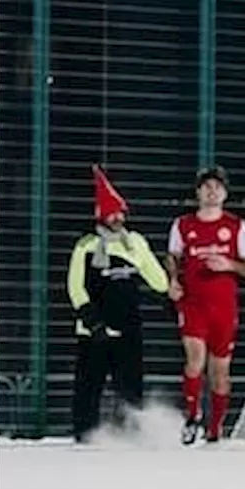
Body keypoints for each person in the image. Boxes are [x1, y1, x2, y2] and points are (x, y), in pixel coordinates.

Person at [67, 165, 169, 442]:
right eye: (112, 213)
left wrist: (169, 292)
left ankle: (129, 435)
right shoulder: (86, 246)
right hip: (94, 329)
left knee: (130, 386)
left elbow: (158, 279)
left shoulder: (135, 243)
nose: (117, 218)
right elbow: (75, 288)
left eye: (121, 212)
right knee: (89, 386)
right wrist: (92, 321)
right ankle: (85, 436)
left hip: (129, 326)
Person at [166, 165, 245, 445]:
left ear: (225, 193)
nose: (212, 192)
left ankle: (215, 428)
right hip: (194, 304)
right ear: (198, 192)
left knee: (220, 371)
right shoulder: (183, 224)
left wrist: (229, 264)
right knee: (195, 359)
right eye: (207, 187)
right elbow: (172, 256)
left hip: (224, 308)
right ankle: (192, 415)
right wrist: (172, 280)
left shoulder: (235, 225)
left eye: (217, 187)